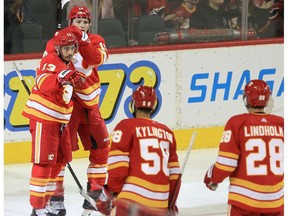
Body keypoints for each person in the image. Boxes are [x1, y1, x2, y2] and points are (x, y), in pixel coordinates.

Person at [45, 6, 111, 216]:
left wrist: (81, 39)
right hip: (68, 107)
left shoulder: (95, 39)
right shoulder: (58, 41)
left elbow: (96, 59)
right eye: (77, 21)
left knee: (102, 148)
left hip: (90, 108)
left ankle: (95, 190)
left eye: (85, 22)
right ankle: (55, 198)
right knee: (60, 155)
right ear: (70, 21)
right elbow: (49, 60)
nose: (81, 25)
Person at [22, 29, 86, 216]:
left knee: (59, 162)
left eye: (72, 48)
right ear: (58, 48)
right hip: (45, 120)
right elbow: (43, 82)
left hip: (60, 122)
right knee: (43, 163)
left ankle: (47, 201)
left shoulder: (70, 67)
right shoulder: (50, 61)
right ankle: (37, 207)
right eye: (65, 48)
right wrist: (61, 77)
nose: (69, 52)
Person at [96, 85, 181, 215]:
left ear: (133, 105)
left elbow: (118, 167)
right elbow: (174, 175)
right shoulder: (168, 133)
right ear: (154, 106)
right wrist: (170, 203)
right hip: (160, 204)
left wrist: (110, 193)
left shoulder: (125, 126)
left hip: (131, 201)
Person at [204, 79, 284, 215]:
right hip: (276, 202)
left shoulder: (237, 123)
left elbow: (226, 164)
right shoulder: (281, 123)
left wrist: (212, 178)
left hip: (244, 203)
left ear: (246, 99)